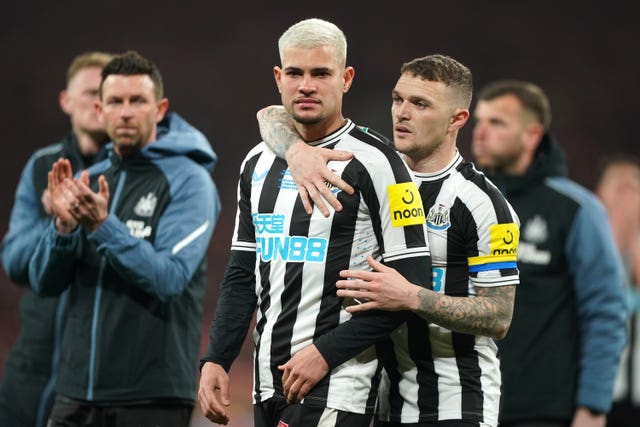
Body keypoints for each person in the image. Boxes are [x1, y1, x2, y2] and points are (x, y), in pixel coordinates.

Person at [256, 54, 521, 427]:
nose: (402, 113)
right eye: (398, 99)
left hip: (452, 402)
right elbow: (270, 114)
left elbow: (500, 316)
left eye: (420, 104)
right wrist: (297, 151)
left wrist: (412, 296)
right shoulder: (374, 170)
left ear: (457, 119)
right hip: (377, 400)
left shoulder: (482, 203)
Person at [198, 18, 432, 427]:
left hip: (340, 384)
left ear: (346, 78)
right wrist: (217, 357)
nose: (306, 85)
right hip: (268, 384)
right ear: (278, 78)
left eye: (320, 73)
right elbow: (241, 274)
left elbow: (411, 282)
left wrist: (326, 351)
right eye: (295, 73)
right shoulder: (257, 162)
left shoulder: (379, 163)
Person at [28, 50, 221, 427]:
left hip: (150, 397)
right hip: (74, 394)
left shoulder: (189, 181)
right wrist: (64, 230)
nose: (126, 112)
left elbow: (169, 278)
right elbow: (43, 283)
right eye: (115, 101)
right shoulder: (90, 179)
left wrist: (103, 225)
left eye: (138, 101)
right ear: (100, 110)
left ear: (160, 108)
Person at [470, 80, 627, 427]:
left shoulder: (575, 209)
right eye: (479, 121)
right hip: (468, 406)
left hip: (545, 411)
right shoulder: (469, 201)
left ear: (531, 135)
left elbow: (605, 311)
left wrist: (593, 407)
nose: (480, 132)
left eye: (497, 123)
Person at [0, 51, 113, 427]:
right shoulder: (40, 165)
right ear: (66, 100)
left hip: (99, 366)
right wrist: (53, 215)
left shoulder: (133, 171)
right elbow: (14, 261)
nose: (98, 103)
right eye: (88, 93)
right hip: (33, 358)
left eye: (107, 94)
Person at [595, 156, 640, 427]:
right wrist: (617, 226)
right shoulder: (590, 238)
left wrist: (631, 233)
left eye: (632, 190)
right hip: (603, 384)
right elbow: (604, 286)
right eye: (619, 189)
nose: (627, 199)